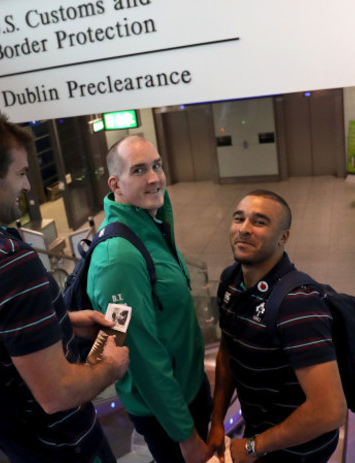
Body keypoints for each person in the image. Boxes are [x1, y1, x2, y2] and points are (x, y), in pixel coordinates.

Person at [0, 109, 129, 463]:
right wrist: (111, 366)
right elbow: (57, 393)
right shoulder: (7, 262)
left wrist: (62, 321)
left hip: (18, 443)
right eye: (21, 173)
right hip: (65, 447)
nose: (26, 185)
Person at [86, 135, 212, 463]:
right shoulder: (119, 258)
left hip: (188, 387)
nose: (155, 178)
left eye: (156, 165)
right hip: (168, 413)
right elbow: (140, 354)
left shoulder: (151, 226)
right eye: (139, 170)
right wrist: (185, 436)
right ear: (115, 183)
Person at [207, 190, 347, 463]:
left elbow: (330, 410)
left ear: (283, 237)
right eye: (239, 219)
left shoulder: (298, 303)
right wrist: (217, 422)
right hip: (259, 434)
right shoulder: (231, 280)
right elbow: (228, 351)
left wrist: (252, 447)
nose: (244, 229)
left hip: (298, 451)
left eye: (259, 222)